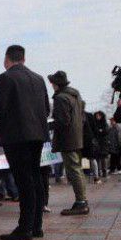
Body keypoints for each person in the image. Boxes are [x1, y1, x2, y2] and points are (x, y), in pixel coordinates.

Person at [0, 46, 50, 240]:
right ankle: (36, 226)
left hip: (16, 136)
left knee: (24, 181)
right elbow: (46, 108)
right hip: (37, 135)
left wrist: (0, 130)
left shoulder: (5, 78)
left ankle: (25, 227)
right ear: (24, 58)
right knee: (35, 178)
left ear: (7, 59)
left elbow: (0, 109)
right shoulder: (38, 78)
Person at [47, 71, 89, 216]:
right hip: (76, 137)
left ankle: (81, 202)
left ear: (56, 84)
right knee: (77, 169)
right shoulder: (75, 95)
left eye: (52, 83)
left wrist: (47, 126)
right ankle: (82, 200)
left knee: (73, 170)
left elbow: (62, 121)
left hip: (68, 139)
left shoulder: (61, 98)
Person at [88, 111, 109, 183]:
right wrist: (100, 131)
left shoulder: (104, 123)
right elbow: (95, 131)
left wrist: (100, 131)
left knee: (104, 158)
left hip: (103, 143)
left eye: (99, 116)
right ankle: (98, 172)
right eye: (96, 116)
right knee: (97, 157)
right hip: (97, 143)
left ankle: (104, 172)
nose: (98, 117)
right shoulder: (94, 123)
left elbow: (106, 131)